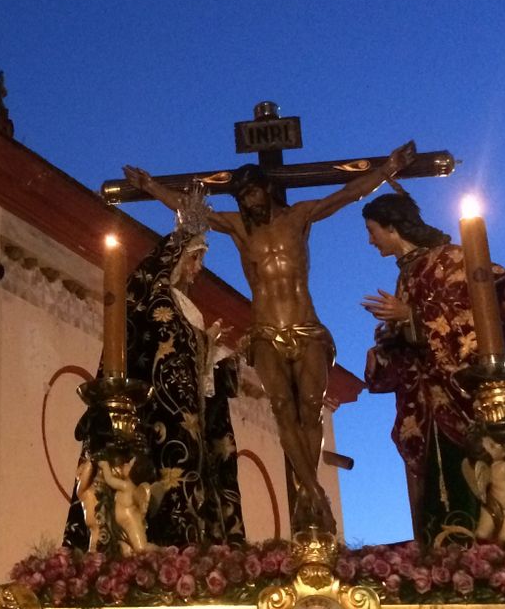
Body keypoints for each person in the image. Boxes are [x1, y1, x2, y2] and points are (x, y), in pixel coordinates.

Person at [125, 143, 414, 532]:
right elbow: (191, 209)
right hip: (264, 330)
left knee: (310, 409)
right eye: (242, 197)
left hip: (306, 326)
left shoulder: (299, 217)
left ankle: (308, 489)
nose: (248, 202)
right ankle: (315, 495)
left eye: (252, 193)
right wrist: (150, 186)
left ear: (266, 189)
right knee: (282, 410)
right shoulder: (240, 228)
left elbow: (346, 194)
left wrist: (387, 169)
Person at [360, 190, 505, 545]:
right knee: (436, 480)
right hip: (428, 402)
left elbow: (471, 319)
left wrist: (410, 316)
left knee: (483, 467)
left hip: (463, 395)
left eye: (372, 230)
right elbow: (417, 344)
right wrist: (387, 347)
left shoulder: (450, 260)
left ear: (392, 226)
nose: (370, 240)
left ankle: (490, 551)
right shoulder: (407, 273)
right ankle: (447, 555)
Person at [64, 192, 246, 551]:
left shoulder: (187, 307)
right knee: (168, 479)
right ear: (177, 258)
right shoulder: (161, 300)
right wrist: (202, 343)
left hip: (188, 414)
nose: (198, 269)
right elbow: (164, 349)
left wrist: (213, 350)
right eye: (194, 259)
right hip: (163, 412)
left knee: (196, 474)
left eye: (200, 260)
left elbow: (189, 360)